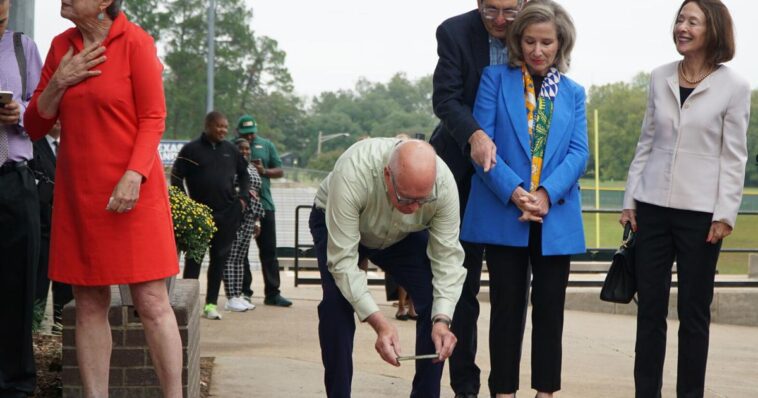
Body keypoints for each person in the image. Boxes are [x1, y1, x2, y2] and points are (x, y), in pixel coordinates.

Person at [23, 1, 183, 396]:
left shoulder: (135, 43)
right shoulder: (61, 47)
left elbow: (153, 118)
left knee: (151, 301)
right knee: (89, 302)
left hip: (134, 191)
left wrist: (134, 174)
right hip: (81, 194)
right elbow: (34, 123)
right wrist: (60, 80)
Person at [620, 1, 750, 396]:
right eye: (680, 19)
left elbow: (734, 154)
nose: (682, 27)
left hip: (701, 215)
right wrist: (630, 198)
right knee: (650, 312)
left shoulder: (734, 86)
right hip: (653, 209)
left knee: (694, 314)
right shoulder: (659, 76)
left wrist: (726, 212)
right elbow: (647, 141)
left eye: (692, 21)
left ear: (712, 29)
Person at [461, 1, 588, 396]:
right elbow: (483, 145)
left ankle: (546, 391)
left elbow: (578, 153)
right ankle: (503, 391)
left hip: (555, 217)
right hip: (505, 214)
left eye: (546, 42)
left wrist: (547, 194)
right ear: (518, 41)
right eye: (530, 41)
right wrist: (516, 192)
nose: (537, 50)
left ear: (560, 44)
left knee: (550, 314)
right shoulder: (494, 79)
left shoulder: (573, 92)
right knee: (506, 312)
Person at [309, 137, 466, 398]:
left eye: (422, 201)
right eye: (406, 199)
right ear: (386, 175)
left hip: (402, 236)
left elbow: (448, 260)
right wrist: (380, 323)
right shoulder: (353, 170)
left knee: (434, 297)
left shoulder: (444, 186)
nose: (414, 208)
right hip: (342, 223)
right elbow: (343, 263)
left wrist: (442, 320)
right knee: (336, 305)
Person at [429, 1, 525, 396]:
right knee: (461, 286)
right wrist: (475, 134)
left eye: (509, 11)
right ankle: (464, 386)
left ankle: (504, 386)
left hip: (517, 179)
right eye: (490, 11)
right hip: (462, 174)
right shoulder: (453, 32)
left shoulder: (537, 29)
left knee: (511, 291)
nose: (500, 21)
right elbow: (446, 99)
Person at [0, 0, 42, 395]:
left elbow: (47, 110)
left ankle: (16, 384)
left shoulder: (23, 48)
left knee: (17, 286)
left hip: (14, 180)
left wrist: (21, 112)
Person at [171, 111, 250, 320]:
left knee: (219, 260)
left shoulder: (231, 150)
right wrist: (185, 204)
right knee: (194, 259)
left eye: (225, 126)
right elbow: (176, 177)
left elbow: (245, 175)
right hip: (198, 216)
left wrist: (242, 198)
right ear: (207, 126)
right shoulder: (191, 150)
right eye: (219, 126)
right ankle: (187, 305)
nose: (223, 130)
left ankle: (211, 305)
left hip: (226, 214)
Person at [236, 115, 292, 307]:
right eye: (245, 134)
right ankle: (244, 292)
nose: (249, 138)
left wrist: (264, 171)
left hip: (265, 205)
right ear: (238, 133)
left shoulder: (266, 145)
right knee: (240, 251)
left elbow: (280, 170)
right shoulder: (232, 147)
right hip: (241, 207)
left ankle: (273, 293)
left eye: (252, 133)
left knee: (269, 251)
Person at [29, 120, 74, 335]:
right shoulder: (31, 146)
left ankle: (61, 328)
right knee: (37, 285)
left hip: (67, 233)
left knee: (66, 288)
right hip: (42, 229)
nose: (58, 120)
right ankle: (34, 329)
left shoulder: (73, 146)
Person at [222, 138, 265, 312]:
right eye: (241, 148)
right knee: (231, 256)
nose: (245, 151)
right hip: (236, 214)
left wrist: (257, 220)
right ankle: (230, 297)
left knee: (240, 256)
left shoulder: (251, 168)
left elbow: (258, 193)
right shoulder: (230, 166)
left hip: (250, 214)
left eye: (248, 149)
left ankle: (238, 295)